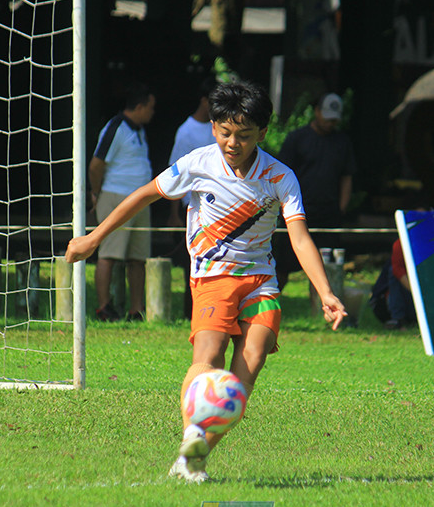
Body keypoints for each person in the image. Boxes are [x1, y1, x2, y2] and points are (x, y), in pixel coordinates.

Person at [66, 81, 347, 483]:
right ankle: (192, 439)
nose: (233, 143)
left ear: (263, 133)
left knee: (244, 376)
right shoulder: (198, 163)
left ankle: (192, 457)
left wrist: (325, 293)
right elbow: (143, 195)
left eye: (244, 135)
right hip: (213, 278)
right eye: (225, 132)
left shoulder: (280, 176)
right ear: (213, 127)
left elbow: (299, 238)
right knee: (208, 359)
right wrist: (94, 237)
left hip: (261, 282)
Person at [87, 83, 156, 321]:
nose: (153, 112)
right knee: (109, 254)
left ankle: (136, 310)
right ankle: (104, 307)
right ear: (139, 106)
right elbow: (96, 165)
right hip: (115, 197)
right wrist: (96, 193)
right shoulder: (115, 127)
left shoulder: (140, 130)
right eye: (150, 107)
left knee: (138, 258)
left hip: (140, 201)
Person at [274, 92, 357, 290]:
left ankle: (323, 301)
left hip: (329, 215)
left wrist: (342, 208)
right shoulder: (297, 139)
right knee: (281, 265)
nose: (330, 123)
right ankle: (271, 299)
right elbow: (280, 175)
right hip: (297, 212)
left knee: (327, 269)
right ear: (317, 112)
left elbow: (347, 176)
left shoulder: (342, 142)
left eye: (334, 120)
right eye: (327, 118)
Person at [166, 76, 219, 318]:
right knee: (194, 261)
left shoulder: (220, 128)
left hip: (219, 207)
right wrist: (174, 214)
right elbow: (173, 176)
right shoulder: (186, 131)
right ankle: (193, 313)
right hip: (193, 208)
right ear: (204, 100)